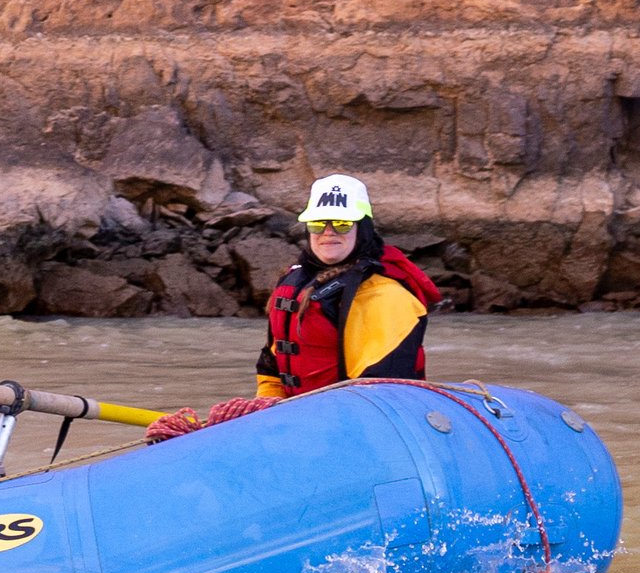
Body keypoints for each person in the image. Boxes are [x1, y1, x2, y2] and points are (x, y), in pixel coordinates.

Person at [147, 172, 441, 440]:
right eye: (318, 223)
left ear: (362, 228)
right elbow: (271, 365)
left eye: (341, 223)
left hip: (356, 430)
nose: (328, 232)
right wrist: (270, 410)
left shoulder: (383, 294)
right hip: (298, 420)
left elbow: (376, 394)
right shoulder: (295, 282)